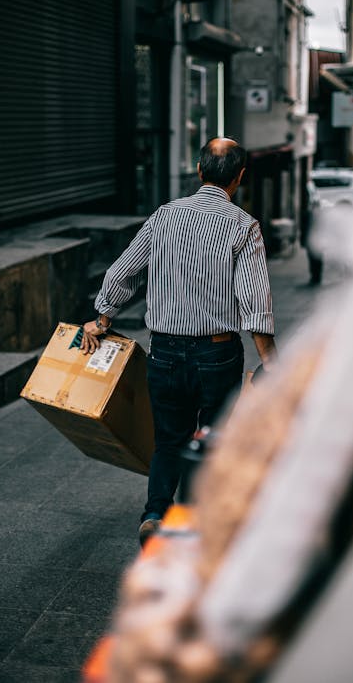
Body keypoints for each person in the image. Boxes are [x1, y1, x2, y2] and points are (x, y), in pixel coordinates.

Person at [81, 137, 277, 545]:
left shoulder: (164, 217)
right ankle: (195, 519)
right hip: (217, 353)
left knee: (169, 438)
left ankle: (154, 513)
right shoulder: (243, 226)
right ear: (239, 178)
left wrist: (103, 318)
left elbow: (122, 273)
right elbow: (255, 299)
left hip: (165, 351)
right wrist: (270, 360)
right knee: (213, 437)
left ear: (200, 171)